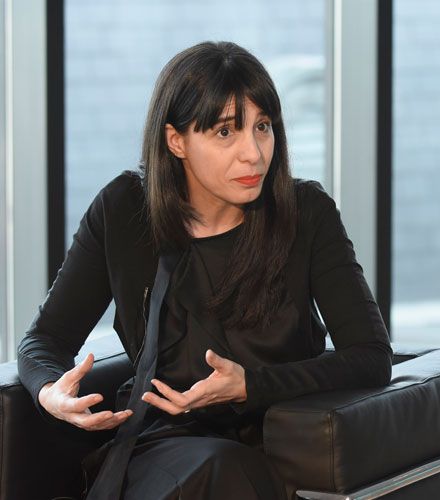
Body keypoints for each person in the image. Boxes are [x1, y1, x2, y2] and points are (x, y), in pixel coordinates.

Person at [17, 41, 392, 500]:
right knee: (213, 469)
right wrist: (50, 390)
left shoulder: (306, 213)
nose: (253, 153)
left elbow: (371, 355)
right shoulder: (124, 212)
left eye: (263, 127)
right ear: (176, 141)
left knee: (225, 469)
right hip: (164, 444)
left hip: (278, 438)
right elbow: (44, 340)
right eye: (224, 133)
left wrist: (250, 386)